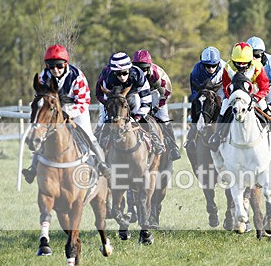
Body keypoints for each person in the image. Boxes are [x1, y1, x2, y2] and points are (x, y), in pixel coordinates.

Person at [22, 44, 110, 183]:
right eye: (51, 66)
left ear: (66, 64)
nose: (55, 70)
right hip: (53, 108)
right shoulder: (44, 75)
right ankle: (33, 168)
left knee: (87, 133)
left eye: (59, 66)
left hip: (75, 108)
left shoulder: (77, 76)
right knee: (42, 133)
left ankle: (102, 165)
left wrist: (67, 112)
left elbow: (83, 101)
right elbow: (39, 96)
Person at [207, 42, 271, 151]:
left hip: (254, 91)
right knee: (224, 107)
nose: (241, 66)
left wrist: (255, 98)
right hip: (234, 93)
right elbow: (225, 87)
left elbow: (265, 88)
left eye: (244, 63)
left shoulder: (257, 66)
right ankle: (217, 135)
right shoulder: (228, 67)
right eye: (238, 63)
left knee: (263, 104)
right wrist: (233, 97)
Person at [94, 51, 164, 155]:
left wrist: (138, 117)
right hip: (112, 98)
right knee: (103, 121)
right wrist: (109, 107)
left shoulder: (138, 74)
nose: (122, 77)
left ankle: (155, 139)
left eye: (125, 73)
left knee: (136, 101)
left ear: (129, 70)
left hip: (133, 95)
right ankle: (97, 146)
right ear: (113, 72)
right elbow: (99, 94)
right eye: (119, 74)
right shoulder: (106, 76)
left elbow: (146, 99)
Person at [131, 49, 181, 160]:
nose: (140, 72)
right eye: (137, 68)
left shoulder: (158, 75)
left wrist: (157, 107)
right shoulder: (129, 73)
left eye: (143, 69)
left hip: (156, 93)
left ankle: (173, 147)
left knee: (163, 117)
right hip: (138, 93)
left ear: (149, 67)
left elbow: (166, 93)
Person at [185, 46, 226, 147]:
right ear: (202, 64)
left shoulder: (225, 68)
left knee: (223, 106)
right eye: (207, 66)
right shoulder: (196, 71)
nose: (211, 69)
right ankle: (191, 139)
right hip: (202, 90)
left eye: (214, 66)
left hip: (220, 89)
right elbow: (194, 92)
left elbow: (227, 88)